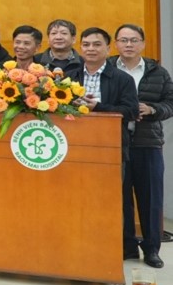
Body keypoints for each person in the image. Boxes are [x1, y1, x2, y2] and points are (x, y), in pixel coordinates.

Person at [68, 28, 141, 260]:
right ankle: (77, 245)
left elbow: (130, 111)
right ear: (80, 47)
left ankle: (112, 249)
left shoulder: (122, 79)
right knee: (76, 199)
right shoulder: (69, 76)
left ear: (108, 49)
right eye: (86, 44)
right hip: (73, 149)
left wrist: (98, 108)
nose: (91, 49)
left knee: (109, 201)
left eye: (97, 44)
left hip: (110, 150)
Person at [115, 24, 173, 269]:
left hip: (148, 143)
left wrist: (152, 109)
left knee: (150, 198)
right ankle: (127, 246)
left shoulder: (157, 72)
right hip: (116, 143)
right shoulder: (108, 69)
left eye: (134, 40)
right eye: (123, 40)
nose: (129, 44)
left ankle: (151, 249)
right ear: (116, 43)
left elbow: (170, 103)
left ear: (143, 43)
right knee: (120, 198)